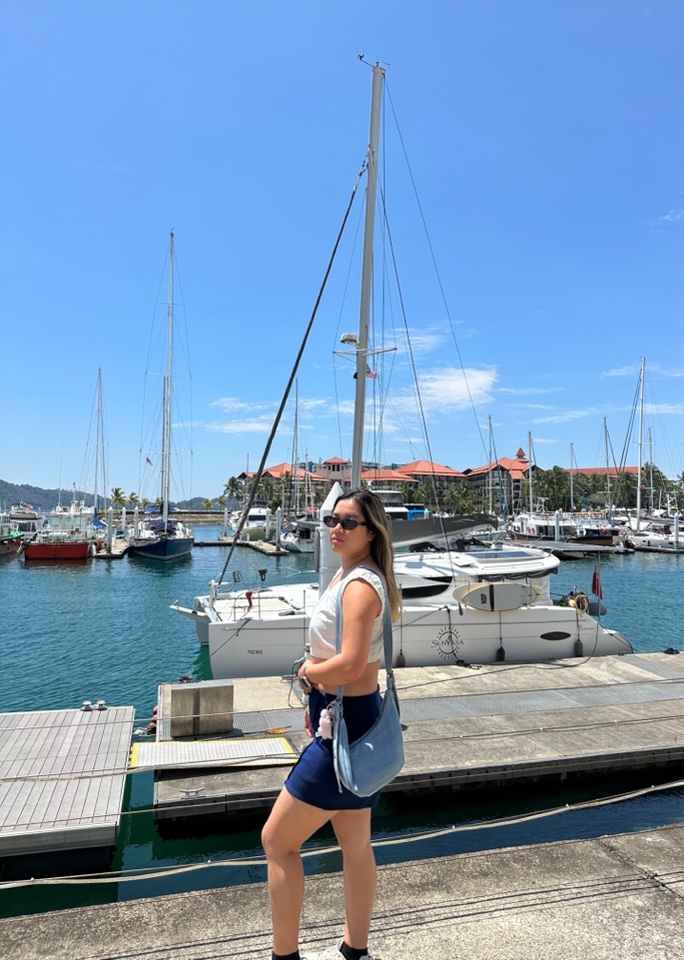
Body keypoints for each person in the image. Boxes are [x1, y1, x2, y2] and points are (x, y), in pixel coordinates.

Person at [261, 488, 402, 960]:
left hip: (346, 729)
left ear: (371, 531)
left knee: (277, 841)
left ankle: (285, 956)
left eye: (348, 522)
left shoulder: (360, 585)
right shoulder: (352, 574)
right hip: (350, 716)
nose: (336, 529)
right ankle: (354, 951)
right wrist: (316, 695)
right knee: (355, 843)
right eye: (331, 521)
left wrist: (306, 673)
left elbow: (351, 664)